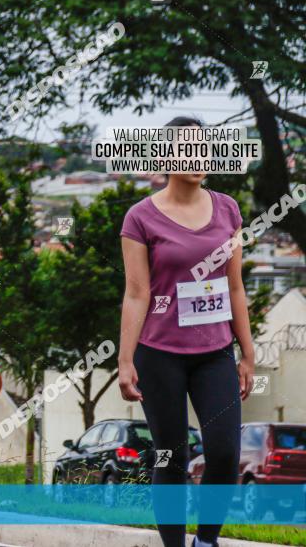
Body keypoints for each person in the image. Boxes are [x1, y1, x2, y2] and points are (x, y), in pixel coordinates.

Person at [118, 117, 255, 547]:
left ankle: (207, 540)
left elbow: (235, 286)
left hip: (214, 352)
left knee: (223, 451)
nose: (197, 157)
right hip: (159, 355)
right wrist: (124, 360)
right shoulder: (140, 217)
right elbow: (137, 294)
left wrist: (247, 353)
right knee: (170, 456)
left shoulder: (228, 209)